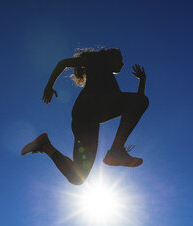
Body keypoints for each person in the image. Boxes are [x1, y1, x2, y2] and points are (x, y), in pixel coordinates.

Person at [21, 48, 149, 185]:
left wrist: (142, 81)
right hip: (87, 106)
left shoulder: (111, 84)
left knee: (78, 177)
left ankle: (45, 146)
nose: (122, 64)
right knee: (141, 101)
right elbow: (63, 63)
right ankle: (116, 150)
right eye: (120, 60)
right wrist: (49, 85)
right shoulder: (95, 61)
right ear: (110, 57)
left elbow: (134, 107)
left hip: (87, 121)